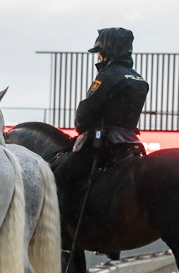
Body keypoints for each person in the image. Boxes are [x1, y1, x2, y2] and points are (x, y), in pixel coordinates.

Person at [63, 27, 149, 191]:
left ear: (107, 51)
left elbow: (85, 115)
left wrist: (81, 125)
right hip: (131, 144)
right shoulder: (139, 79)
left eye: (99, 52)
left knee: (59, 178)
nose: (98, 56)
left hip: (103, 144)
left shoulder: (107, 76)